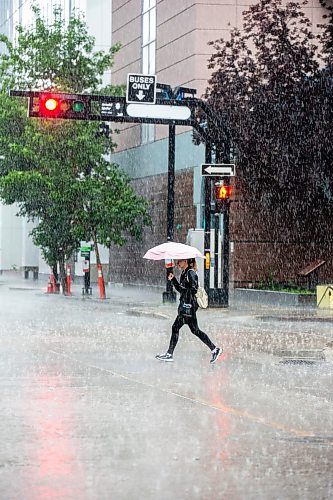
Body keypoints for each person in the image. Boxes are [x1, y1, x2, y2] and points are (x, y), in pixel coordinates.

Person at [156, 258, 223, 363]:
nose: (178, 263)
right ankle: (214, 349)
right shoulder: (184, 273)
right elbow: (181, 290)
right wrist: (173, 280)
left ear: (186, 261)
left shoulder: (191, 273)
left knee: (175, 327)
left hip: (188, 307)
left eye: (180, 261)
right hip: (187, 307)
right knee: (195, 330)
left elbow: (194, 289)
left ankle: (169, 354)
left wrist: (186, 292)